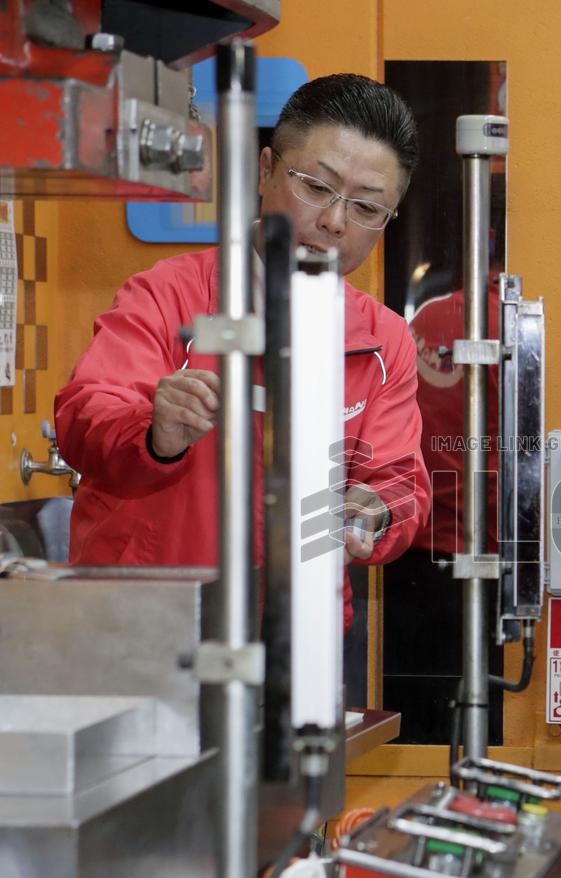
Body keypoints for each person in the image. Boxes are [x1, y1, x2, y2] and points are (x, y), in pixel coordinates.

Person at [54, 74, 431, 630]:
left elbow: (400, 478)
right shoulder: (168, 295)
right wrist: (154, 433)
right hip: (145, 623)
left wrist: (376, 510)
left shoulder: (383, 340)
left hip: (299, 633)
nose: (333, 222)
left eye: (367, 209)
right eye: (316, 187)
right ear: (264, 170)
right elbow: (83, 417)